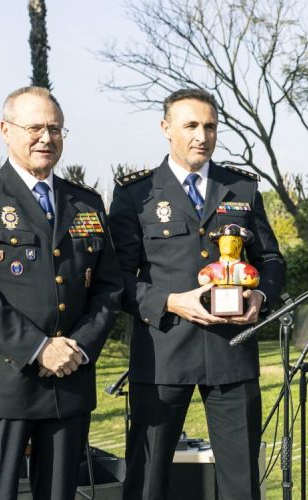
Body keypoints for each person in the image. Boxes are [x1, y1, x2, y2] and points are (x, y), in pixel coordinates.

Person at [0, 86, 123, 499]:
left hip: (68, 380)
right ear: (6, 130)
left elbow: (109, 287)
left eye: (55, 129)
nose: (46, 138)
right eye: (34, 127)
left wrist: (79, 347)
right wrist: (39, 348)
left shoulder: (86, 203)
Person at [108, 88, 286, 500]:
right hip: (163, 353)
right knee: (147, 478)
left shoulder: (240, 188)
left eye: (209, 126)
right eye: (190, 125)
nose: (201, 136)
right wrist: (170, 301)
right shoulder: (137, 194)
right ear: (165, 127)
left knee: (242, 481)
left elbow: (271, 261)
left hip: (231, 350)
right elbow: (116, 278)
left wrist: (262, 298)